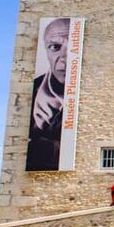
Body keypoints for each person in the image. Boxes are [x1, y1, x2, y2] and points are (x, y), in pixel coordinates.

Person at [26, 17, 70, 171]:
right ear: (45, 50)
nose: (65, 58)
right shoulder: (32, 94)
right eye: (55, 47)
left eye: (73, 49)